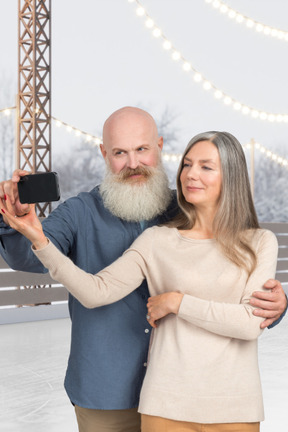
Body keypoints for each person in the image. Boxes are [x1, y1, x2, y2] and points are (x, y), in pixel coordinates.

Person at [0, 113, 286, 431]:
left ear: (160, 147)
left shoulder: (190, 210)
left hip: (197, 390)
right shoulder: (82, 213)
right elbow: (32, 259)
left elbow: (240, 294)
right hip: (108, 388)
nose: (133, 162)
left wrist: (278, 304)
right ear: (104, 154)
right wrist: (21, 228)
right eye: (120, 152)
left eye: (142, 149)